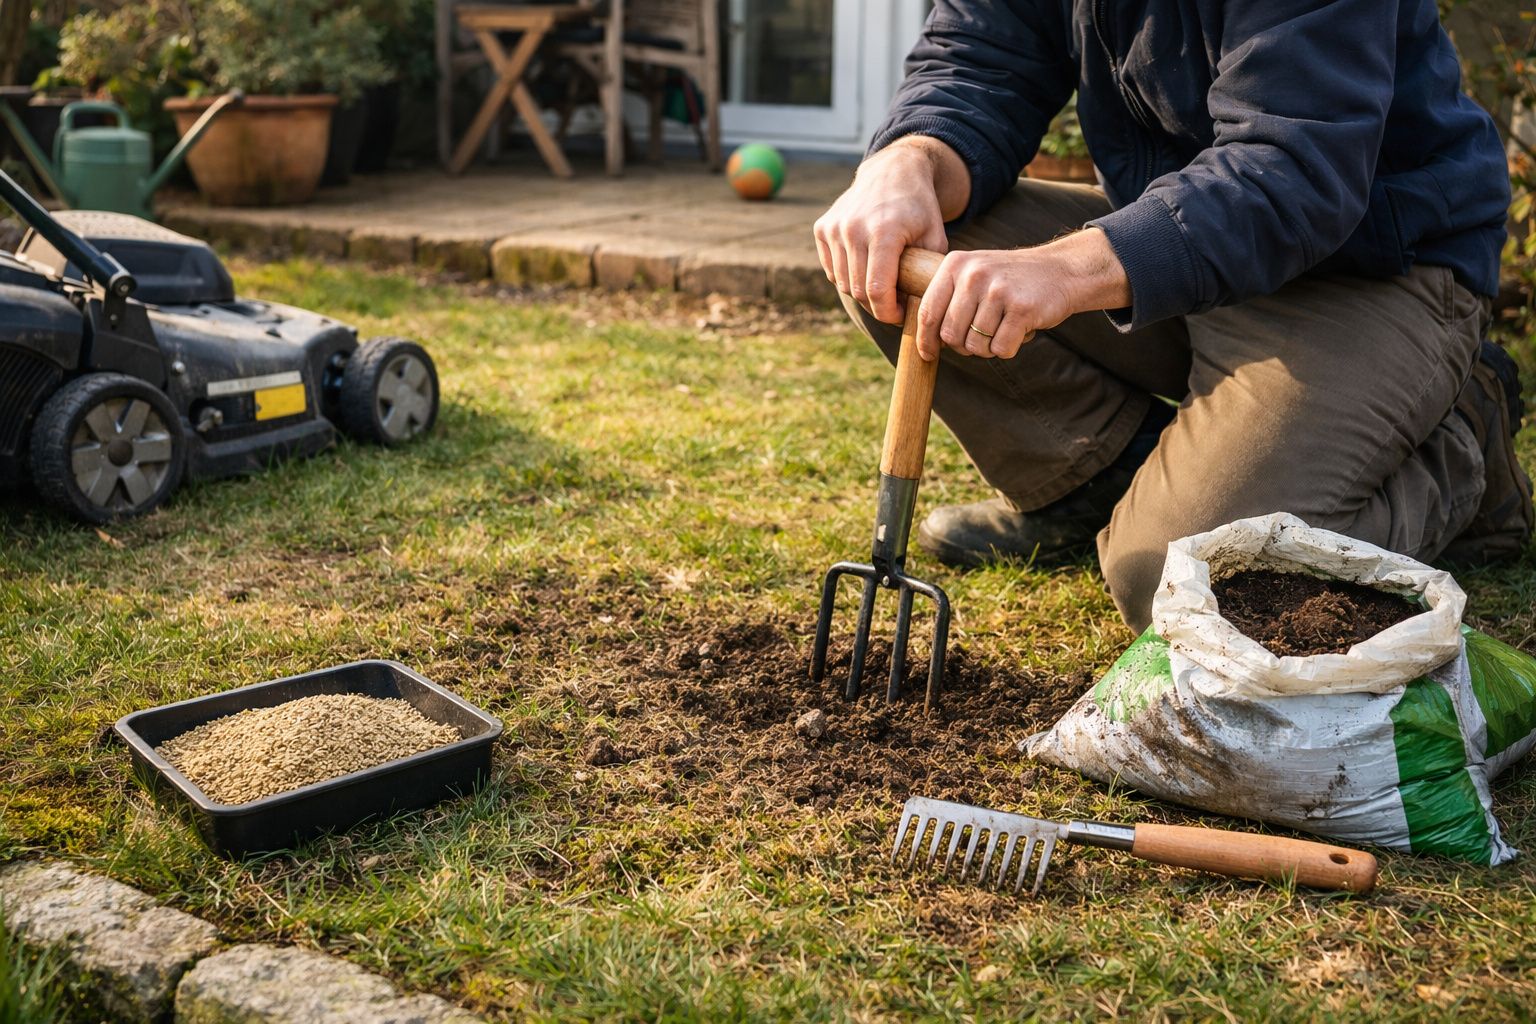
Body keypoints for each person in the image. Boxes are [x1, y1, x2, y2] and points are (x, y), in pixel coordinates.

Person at [814, 0, 1531, 632]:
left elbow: (1293, 167)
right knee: (893, 257)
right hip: (1180, 251)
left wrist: (1066, 270)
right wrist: (911, 156)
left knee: (1176, 579)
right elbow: (981, 59)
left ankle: (1465, 440)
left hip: (1365, 268)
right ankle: (1092, 487)